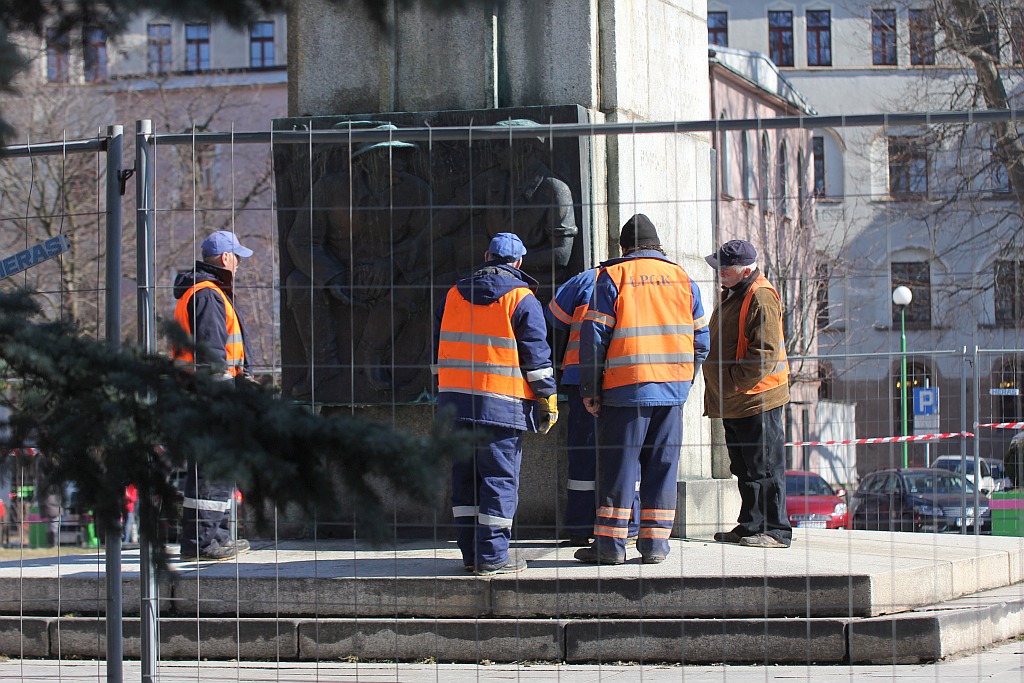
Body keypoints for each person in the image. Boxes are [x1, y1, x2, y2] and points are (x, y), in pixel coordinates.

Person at [576, 214, 709, 565]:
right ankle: (654, 546)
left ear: (624, 247)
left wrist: (590, 388)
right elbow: (702, 342)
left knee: (618, 468)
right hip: (671, 392)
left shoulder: (614, 276)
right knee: (662, 466)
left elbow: (594, 337)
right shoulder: (683, 278)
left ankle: (609, 547)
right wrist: (683, 380)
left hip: (625, 390)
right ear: (657, 245)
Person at [434, 232, 558, 575]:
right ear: (518, 263)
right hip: (502, 406)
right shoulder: (522, 298)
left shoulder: (452, 295)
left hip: (457, 405)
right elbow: (536, 358)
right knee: (498, 480)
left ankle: (472, 555)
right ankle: (492, 558)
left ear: (487, 255)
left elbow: (438, 350)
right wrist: (547, 397)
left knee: (465, 480)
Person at [703, 239, 792, 549]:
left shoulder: (760, 296)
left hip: (757, 398)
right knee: (744, 468)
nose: (719, 273)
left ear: (742, 270)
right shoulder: (735, 294)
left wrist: (734, 382)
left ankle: (776, 531)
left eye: (724, 269)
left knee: (765, 467)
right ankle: (751, 525)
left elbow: (765, 353)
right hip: (739, 400)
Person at [171, 230, 254, 561]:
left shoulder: (202, 292)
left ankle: (209, 537)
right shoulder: (208, 295)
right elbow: (211, 354)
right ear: (226, 258)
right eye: (238, 258)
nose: (239, 266)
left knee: (207, 470)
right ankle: (205, 542)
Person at [547, 268, 639, 546]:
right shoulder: (647, 278)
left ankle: (580, 525)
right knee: (627, 453)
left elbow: (554, 317)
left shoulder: (586, 278)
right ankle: (629, 526)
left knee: (584, 453)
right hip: (627, 377)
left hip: (580, 374)